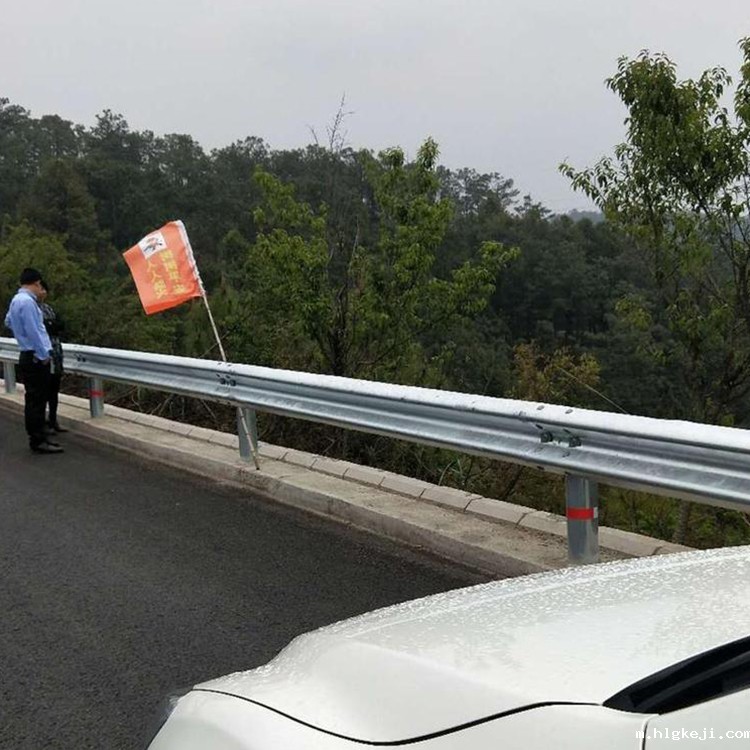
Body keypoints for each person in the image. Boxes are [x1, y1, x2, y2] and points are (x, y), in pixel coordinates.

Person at [4, 268, 64, 454]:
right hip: (35, 356)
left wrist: (20, 335)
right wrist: (43, 354)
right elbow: (34, 331)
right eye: (40, 285)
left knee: (33, 399)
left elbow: (8, 322)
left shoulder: (16, 300)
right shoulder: (28, 302)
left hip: (27, 353)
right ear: (36, 283)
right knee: (37, 400)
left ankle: (38, 437)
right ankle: (38, 439)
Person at [38, 280, 68, 435]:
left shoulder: (48, 308)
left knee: (54, 389)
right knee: (43, 389)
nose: (43, 292)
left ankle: (53, 419)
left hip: (56, 351)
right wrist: (51, 325)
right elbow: (44, 328)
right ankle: (42, 422)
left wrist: (51, 325)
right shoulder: (33, 309)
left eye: (45, 289)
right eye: (41, 289)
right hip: (44, 353)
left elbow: (59, 325)